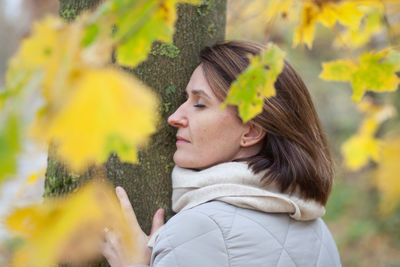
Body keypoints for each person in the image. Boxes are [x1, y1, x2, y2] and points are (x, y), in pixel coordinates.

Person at [101, 41, 342, 267]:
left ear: (250, 132)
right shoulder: (319, 232)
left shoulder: (198, 228)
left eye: (200, 104)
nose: (174, 118)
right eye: (186, 99)